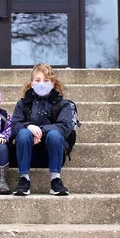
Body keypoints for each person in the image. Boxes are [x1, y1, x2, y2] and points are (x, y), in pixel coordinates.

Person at [11, 63, 73, 196]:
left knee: (55, 135)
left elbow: (65, 127)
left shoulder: (63, 104)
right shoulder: (23, 104)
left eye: (46, 80)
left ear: (53, 83)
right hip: (28, 153)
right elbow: (14, 126)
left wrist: (41, 130)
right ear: (32, 84)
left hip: (53, 152)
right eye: (38, 80)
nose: (42, 84)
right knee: (23, 133)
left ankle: (55, 179)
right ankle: (24, 179)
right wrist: (28, 126)